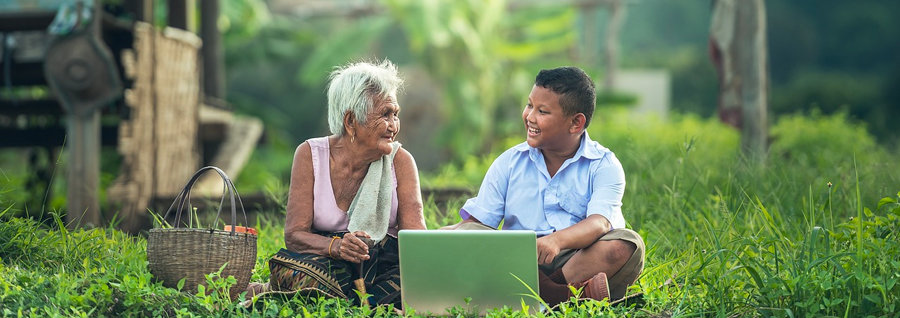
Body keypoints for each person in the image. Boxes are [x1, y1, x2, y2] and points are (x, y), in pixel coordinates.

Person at [441, 66, 644, 306]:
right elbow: (479, 223)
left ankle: (533, 294)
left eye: (543, 111)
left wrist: (556, 241)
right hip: (515, 259)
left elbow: (600, 222)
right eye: (529, 106)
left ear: (576, 123)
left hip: (576, 260)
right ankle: (562, 297)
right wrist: (443, 236)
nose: (529, 117)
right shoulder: (509, 162)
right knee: (466, 234)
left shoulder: (603, 164)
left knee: (627, 245)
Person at [248, 60, 426, 307]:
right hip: (328, 264)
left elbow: (416, 243)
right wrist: (338, 246)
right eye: (385, 114)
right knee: (301, 273)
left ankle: (348, 301)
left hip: (384, 267)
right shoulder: (310, 155)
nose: (394, 126)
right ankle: (363, 304)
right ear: (351, 121)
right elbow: (295, 235)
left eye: (395, 114)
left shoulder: (401, 162)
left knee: (415, 284)